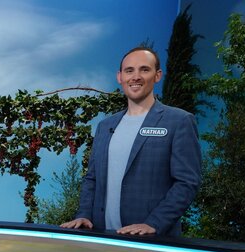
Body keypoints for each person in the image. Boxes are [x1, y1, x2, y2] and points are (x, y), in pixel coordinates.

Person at [61, 47, 201, 236]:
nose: (135, 77)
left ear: (157, 75)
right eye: (129, 71)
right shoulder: (105, 126)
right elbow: (92, 178)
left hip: (151, 243)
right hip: (104, 239)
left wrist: (155, 224)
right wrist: (84, 214)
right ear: (120, 77)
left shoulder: (179, 121)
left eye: (144, 69)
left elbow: (187, 182)